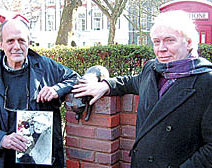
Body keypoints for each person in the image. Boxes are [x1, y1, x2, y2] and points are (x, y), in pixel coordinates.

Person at [72, 10, 212, 167]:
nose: (161, 48)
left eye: (169, 40)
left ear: (190, 42)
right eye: (156, 42)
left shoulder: (206, 82)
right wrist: (105, 85)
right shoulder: (152, 68)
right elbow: (131, 82)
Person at [0, 18, 79, 167]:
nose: (17, 46)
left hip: (42, 160)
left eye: (21, 40)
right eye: (10, 41)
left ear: (28, 42)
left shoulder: (46, 66)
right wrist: (1, 139)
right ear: (1, 44)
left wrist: (57, 89)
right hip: (3, 161)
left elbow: (75, 78)